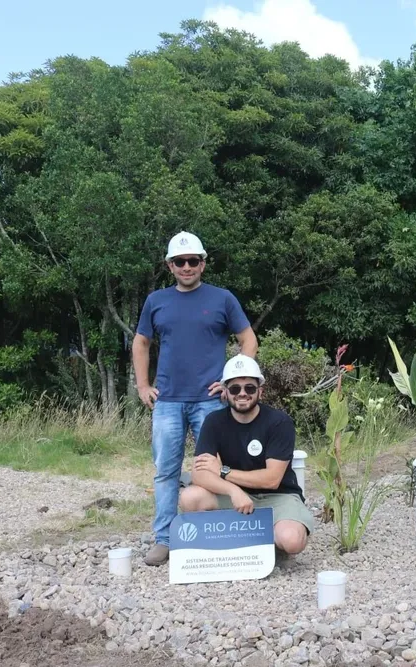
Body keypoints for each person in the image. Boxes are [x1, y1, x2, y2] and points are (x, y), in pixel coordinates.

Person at [133, 231, 258, 566]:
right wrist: (143, 386)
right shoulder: (156, 301)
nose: (186, 267)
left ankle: (223, 532)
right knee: (165, 471)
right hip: (168, 400)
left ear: (203, 263)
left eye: (193, 261)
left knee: (219, 467)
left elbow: (248, 340)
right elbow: (141, 343)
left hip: (210, 401)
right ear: (169, 265)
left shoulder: (222, 299)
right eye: (179, 262)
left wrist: (231, 381)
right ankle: (164, 538)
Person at [178, 354, 313, 555]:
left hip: (279, 496)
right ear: (225, 392)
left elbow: (272, 480)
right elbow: (199, 474)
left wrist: (223, 471)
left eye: (249, 388)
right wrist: (233, 491)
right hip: (235, 498)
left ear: (261, 392)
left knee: (292, 541)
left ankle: (268, 543)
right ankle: (240, 544)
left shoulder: (279, 422)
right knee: (189, 498)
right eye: (235, 388)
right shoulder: (213, 422)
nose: (242, 393)